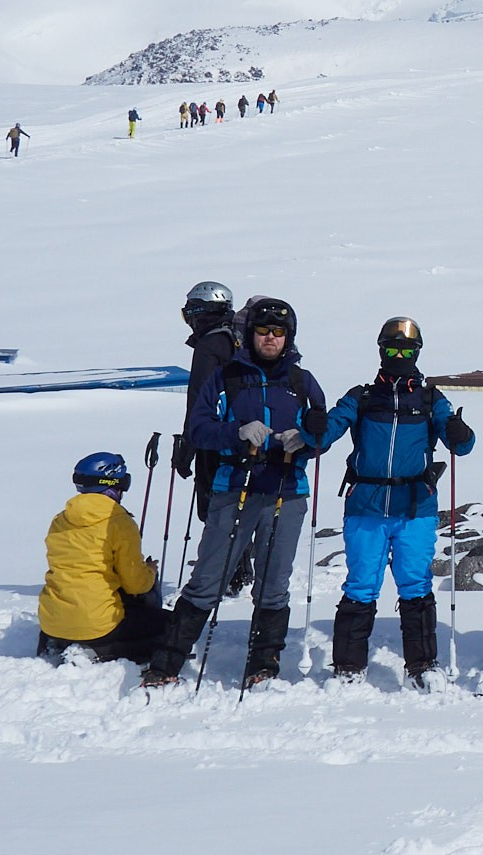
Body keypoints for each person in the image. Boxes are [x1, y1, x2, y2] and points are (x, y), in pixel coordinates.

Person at [142, 297, 326, 689]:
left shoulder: (302, 381)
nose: (271, 339)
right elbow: (198, 428)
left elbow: (322, 431)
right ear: (251, 334)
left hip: (286, 491)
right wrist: (235, 434)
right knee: (207, 580)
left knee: (273, 584)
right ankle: (165, 665)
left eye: (279, 332)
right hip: (234, 490)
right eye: (263, 331)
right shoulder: (226, 377)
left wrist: (306, 440)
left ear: (289, 336)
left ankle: (264, 666)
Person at [309, 318, 475, 685]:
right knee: (360, 585)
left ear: (416, 353)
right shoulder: (362, 397)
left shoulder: (431, 399)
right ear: (380, 350)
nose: (397, 356)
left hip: (415, 505)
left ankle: (422, 666)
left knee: (415, 584)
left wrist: (460, 433)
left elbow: (461, 444)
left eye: (405, 350)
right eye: (390, 349)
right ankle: (349, 667)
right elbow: (327, 432)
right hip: (366, 504)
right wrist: (315, 425)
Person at [36, 452, 164, 663]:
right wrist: (150, 571)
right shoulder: (119, 522)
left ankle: (61, 642)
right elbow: (136, 584)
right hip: (99, 625)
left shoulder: (60, 519)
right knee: (170, 625)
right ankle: (94, 650)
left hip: (52, 622)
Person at [170, 282, 250, 588]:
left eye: (191, 312)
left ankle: (229, 572)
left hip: (215, 438)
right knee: (236, 503)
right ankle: (239, 568)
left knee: (214, 505)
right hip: (244, 435)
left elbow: (200, 397)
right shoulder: (239, 339)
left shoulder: (210, 344)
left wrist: (190, 442)